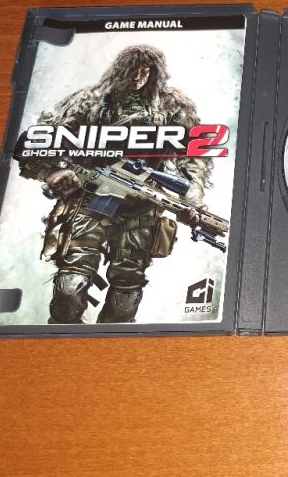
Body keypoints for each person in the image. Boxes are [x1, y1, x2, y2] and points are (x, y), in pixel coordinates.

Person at [18, 45, 211, 323]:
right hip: (89, 201)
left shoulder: (172, 106)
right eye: (133, 70)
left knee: (126, 295)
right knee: (70, 286)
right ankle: (61, 341)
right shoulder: (90, 100)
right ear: (120, 69)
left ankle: (111, 344)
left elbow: (195, 157)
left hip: (141, 207)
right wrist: (51, 172)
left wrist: (193, 197)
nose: (138, 77)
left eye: (146, 71)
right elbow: (36, 141)